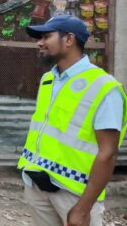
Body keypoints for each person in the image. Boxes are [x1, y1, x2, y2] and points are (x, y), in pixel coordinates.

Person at [19, 15, 126, 226]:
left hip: (75, 195)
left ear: (69, 39)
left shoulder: (104, 87)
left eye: (46, 36)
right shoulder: (48, 79)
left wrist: (83, 208)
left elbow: (108, 153)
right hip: (37, 186)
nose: (39, 43)